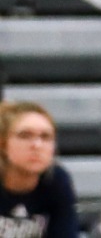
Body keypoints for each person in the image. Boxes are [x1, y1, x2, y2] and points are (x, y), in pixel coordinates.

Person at [0, 102, 74, 238]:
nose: (37, 145)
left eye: (45, 137)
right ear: (3, 144)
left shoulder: (57, 181)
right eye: (25, 135)